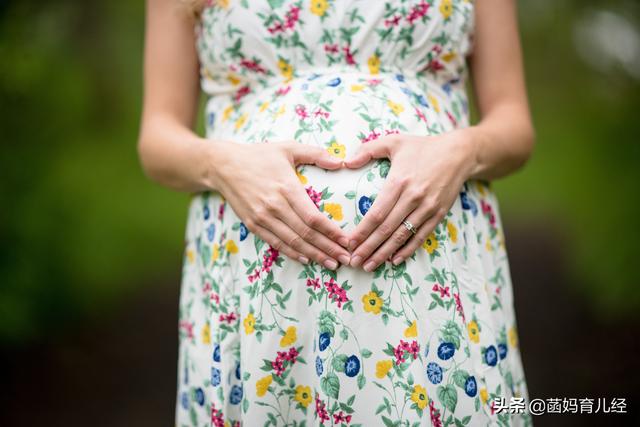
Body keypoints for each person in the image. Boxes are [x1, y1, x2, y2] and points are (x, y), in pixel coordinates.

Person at [138, 0, 535, 425]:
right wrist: (222, 164)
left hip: (434, 264)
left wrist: (462, 151)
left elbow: (514, 123)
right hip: (253, 282)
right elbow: (157, 138)